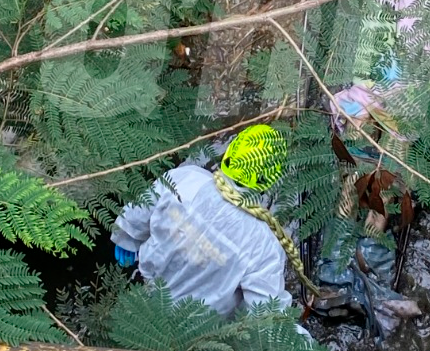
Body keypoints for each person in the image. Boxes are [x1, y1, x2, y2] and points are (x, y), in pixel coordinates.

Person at [110, 124, 307, 319]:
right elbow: (266, 317)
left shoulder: (184, 178)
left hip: (148, 291)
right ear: (270, 180)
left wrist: (125, 237)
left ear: (230, 153)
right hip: (200, 330)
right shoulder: (264, 245)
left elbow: (140, 210)